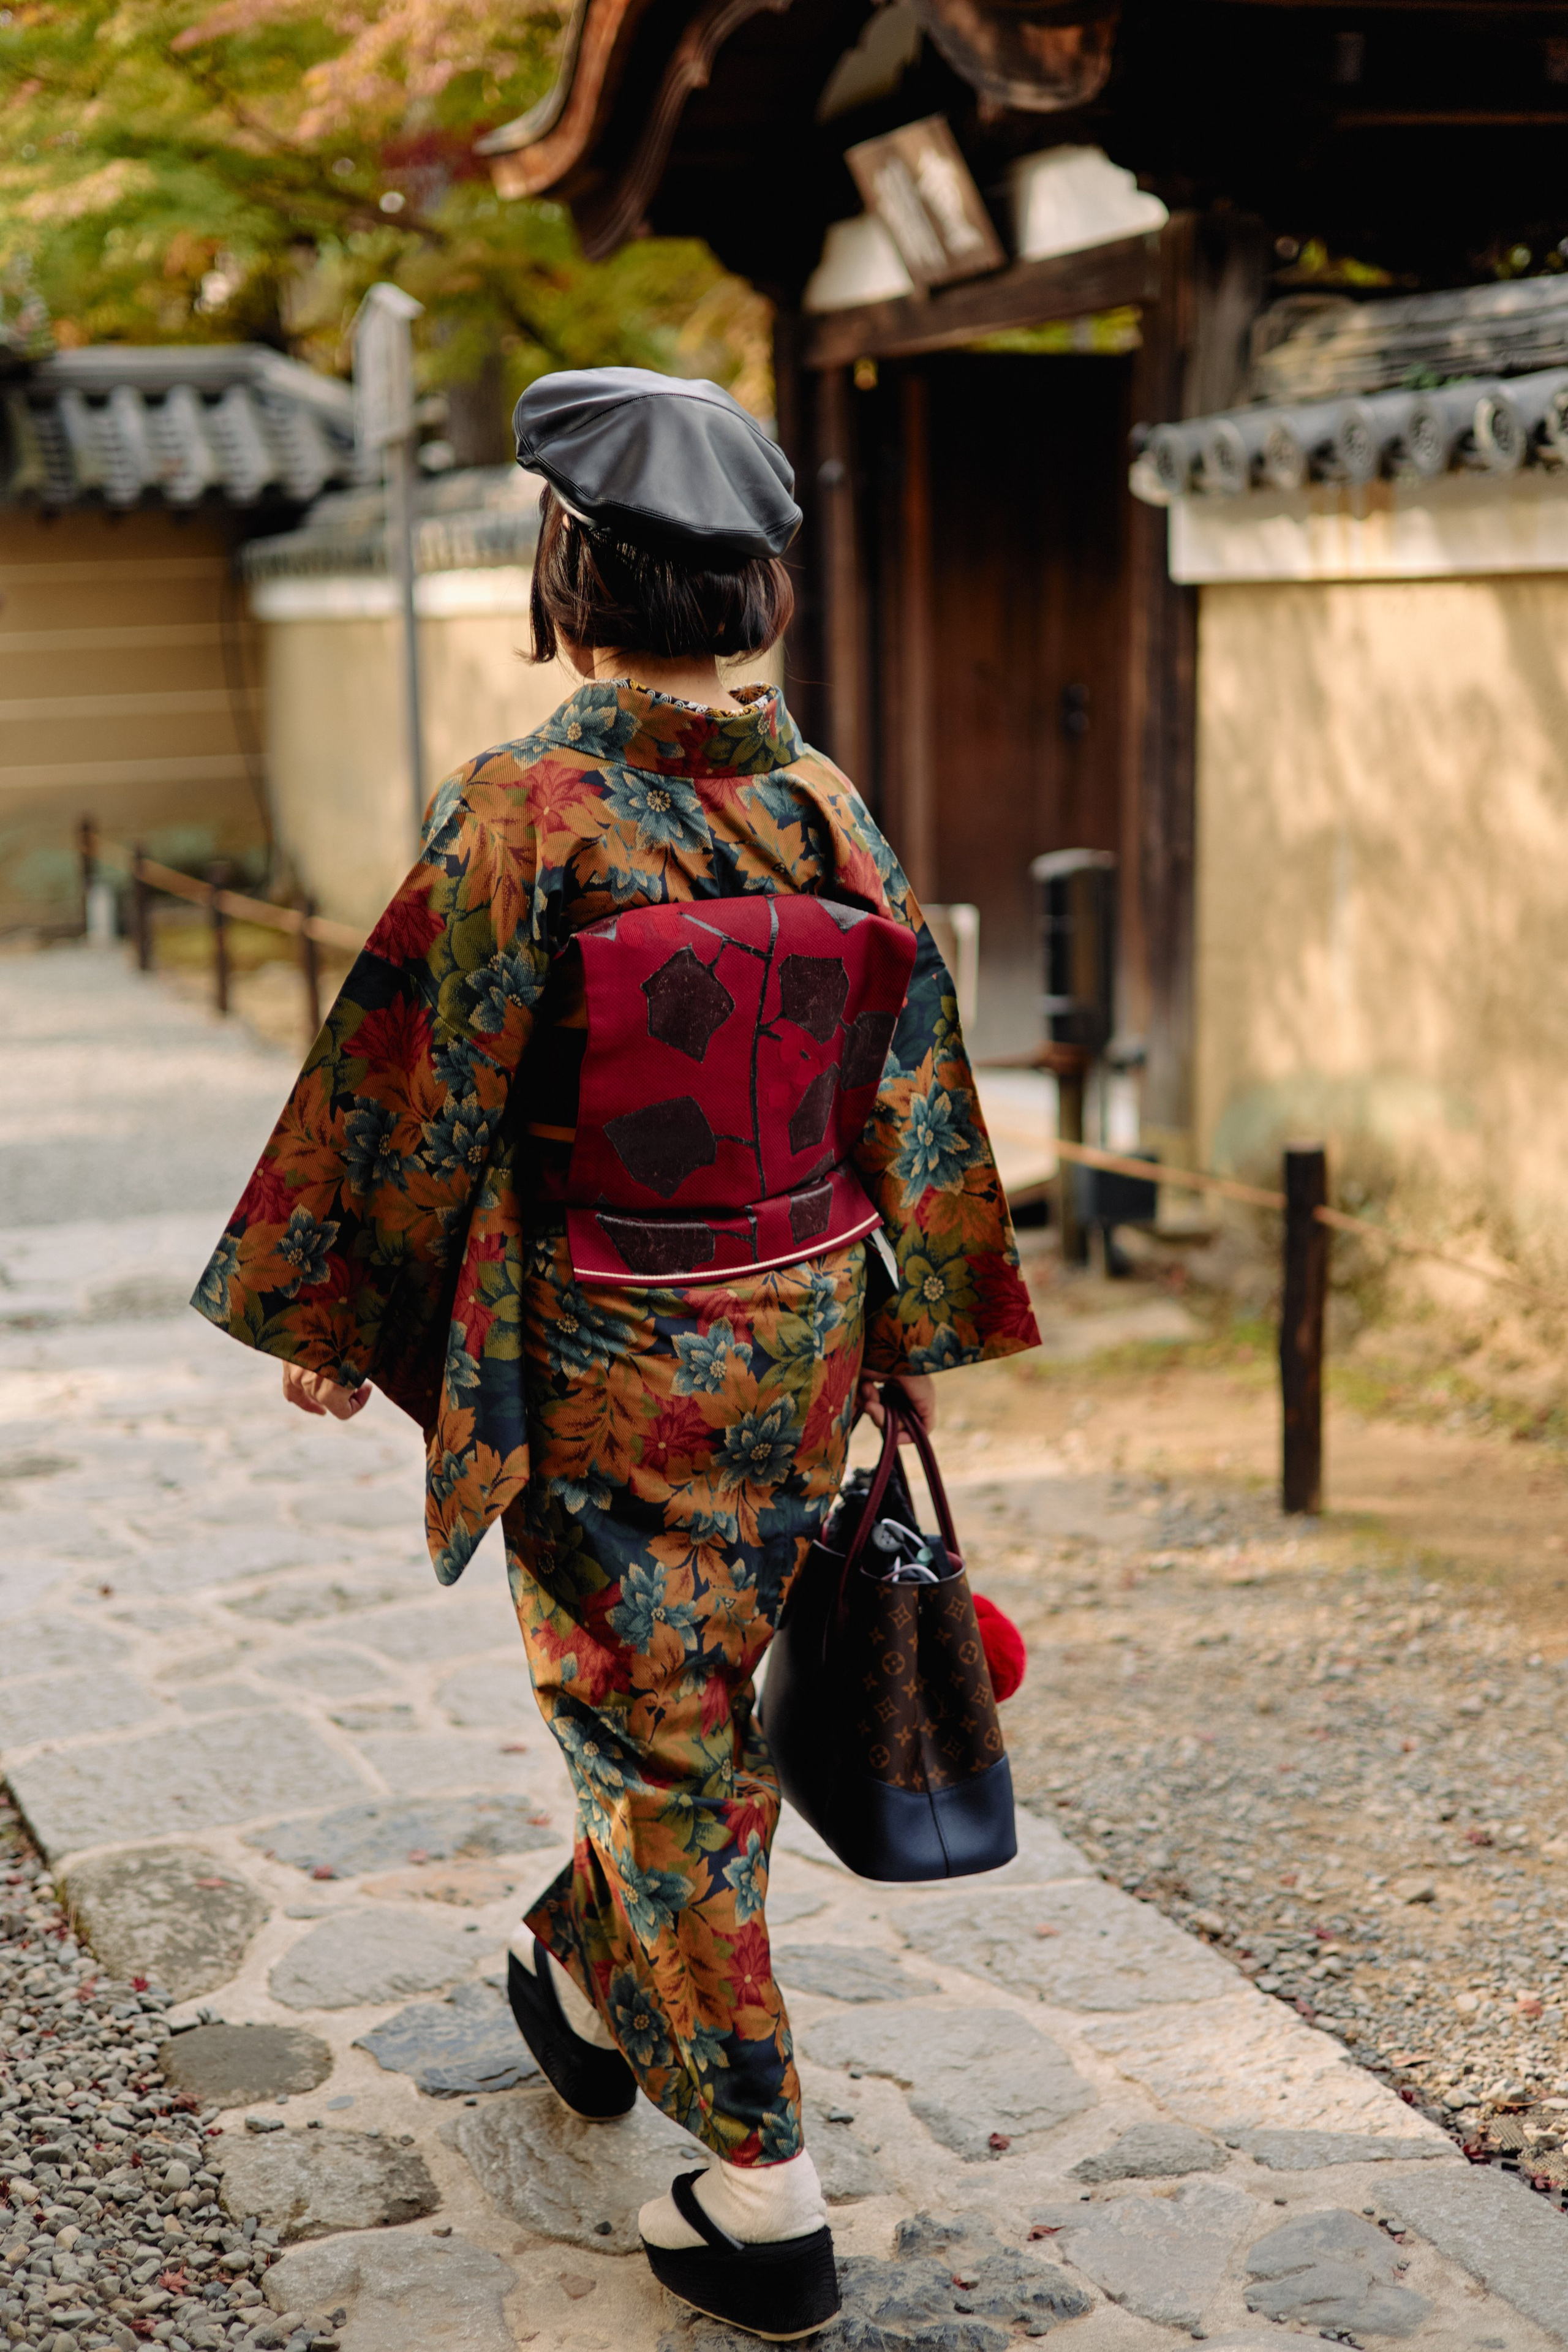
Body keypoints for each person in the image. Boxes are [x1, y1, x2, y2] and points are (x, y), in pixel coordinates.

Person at [191, 365, 1039, 2342]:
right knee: (676, 1696)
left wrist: (337, 1315)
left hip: (608, 1350)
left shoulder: (531, 809)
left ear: (564, 573)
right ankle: (584, 1987)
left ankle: (765, 2188)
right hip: (801, 1322)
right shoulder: (826, 804)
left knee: (656, 1734)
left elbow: (425, 1079)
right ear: (760, 595)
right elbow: (904, 1082)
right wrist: (905, 1324)